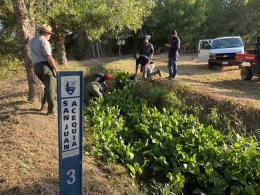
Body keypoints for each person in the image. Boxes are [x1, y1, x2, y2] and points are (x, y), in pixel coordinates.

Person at [29, 24, 58, 115]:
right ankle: (51, 111)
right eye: (49, 34)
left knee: (48, 87)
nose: (50, 36)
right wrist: (56, 69)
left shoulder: (32, 41)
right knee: (51, 89)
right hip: (45, 66)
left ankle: (44, 106)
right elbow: (48, 57)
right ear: (46, 33)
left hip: (36, 67)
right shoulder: (45, 41)